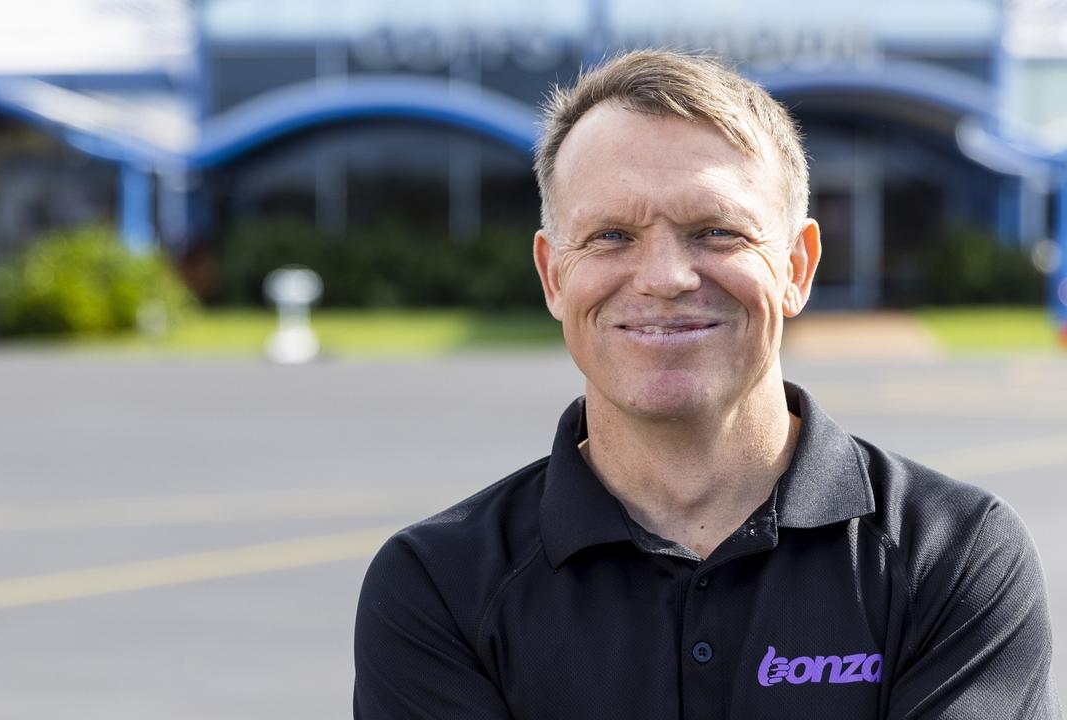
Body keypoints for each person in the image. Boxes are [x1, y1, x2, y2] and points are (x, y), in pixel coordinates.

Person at [353, 50, 1061, 719]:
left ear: (796, 267)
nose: (665, 278)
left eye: (716, 232)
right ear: (552, 275)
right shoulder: (436, 586)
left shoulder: (954, 556)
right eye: (610, 236)